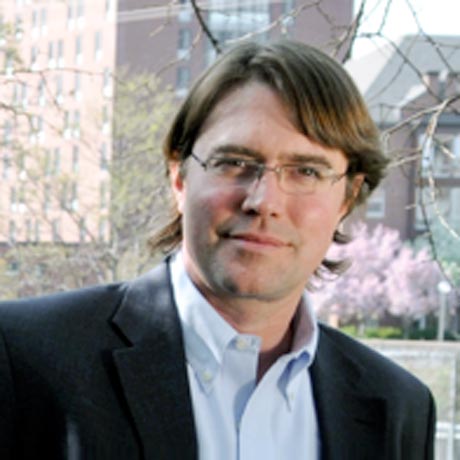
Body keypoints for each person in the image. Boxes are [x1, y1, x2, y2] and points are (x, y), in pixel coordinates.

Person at [0, 40, 435, 459]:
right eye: (234, 163)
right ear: (179, 177)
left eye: (306, 171)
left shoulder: (398, 408)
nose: (263, 201)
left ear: (347, 197)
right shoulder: (26, 359)